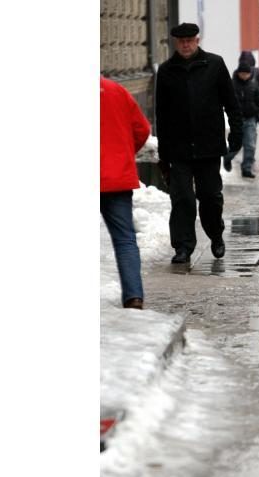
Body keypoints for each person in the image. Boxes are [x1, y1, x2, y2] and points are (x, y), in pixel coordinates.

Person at [154, 22, 243, 264]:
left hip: (209, 145)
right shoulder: (166, 70)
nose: (185, 44)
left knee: (210, 196)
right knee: (182, 198)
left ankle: (216, 235)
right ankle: (183, 247)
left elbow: (231, 103)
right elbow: (160, 113)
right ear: (176, 43)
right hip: (178, 147)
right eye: (181, 41)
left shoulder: (214, 64)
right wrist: (163, 152)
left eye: (190, 40)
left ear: (197, 40)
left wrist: (236, 133)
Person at [100, 76, 151, 309]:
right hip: (118, 178)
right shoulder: (117, 90)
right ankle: (134, 297)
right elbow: (142, 129)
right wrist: (124, 154)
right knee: (125, 240)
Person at [224, 62, 259, 178]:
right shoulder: (231, 86)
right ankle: (227, 157)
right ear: (238, 73)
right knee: (236, 144)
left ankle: (246, 168)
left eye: (246, 74)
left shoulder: (254, 86)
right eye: (242, 73)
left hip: (250, 119)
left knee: (250, 144)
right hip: (236, 120)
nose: (244, 76)